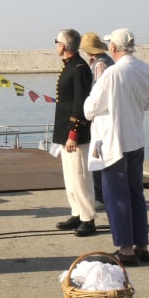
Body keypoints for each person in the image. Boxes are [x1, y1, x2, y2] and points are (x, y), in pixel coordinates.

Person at [83, 28, 149, 267]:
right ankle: (141, 244)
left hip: (114, 142)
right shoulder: (143, 68)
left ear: (113, 47)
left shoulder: (112, 73)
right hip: (136, 139)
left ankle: (125, 250)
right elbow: (148, 102)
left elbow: (90, 108)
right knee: (136, 194)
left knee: (116, 197)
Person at [52, 28, 97, 237]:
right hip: (65, 130)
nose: (55, 45)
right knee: (70, 177)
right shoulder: (70, 66)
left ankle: (88, 218)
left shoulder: (79, 68)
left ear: (63, 45)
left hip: (75, 132)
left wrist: (73, 133)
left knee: (80, 176)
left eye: (56, 42)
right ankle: (77, 213)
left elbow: (80, 102)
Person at [82, 31, 115, 206]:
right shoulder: (106, 61)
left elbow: (99, 93)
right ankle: (104, 194)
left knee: (97, 156)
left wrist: (89, 112)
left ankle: (100, 196)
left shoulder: (100, 65)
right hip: (107, 116)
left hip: (100, 117)